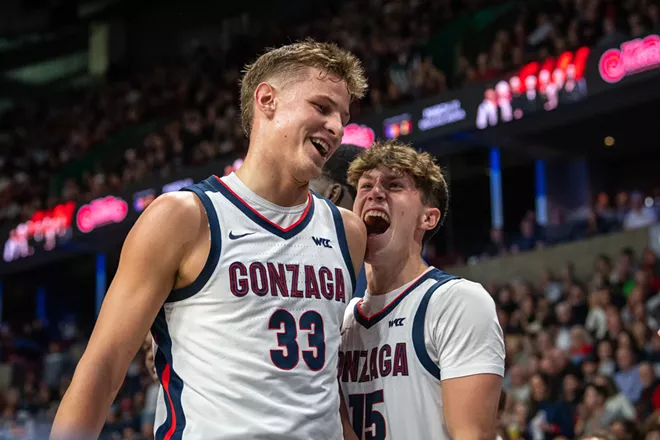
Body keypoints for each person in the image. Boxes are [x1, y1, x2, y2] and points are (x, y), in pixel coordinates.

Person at [51, 39, 368, 440]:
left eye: (342, 116)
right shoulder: (184, 217)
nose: (338, 128)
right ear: (267, 100)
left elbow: (326, 389)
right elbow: (103, 367)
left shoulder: (348, 233)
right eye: (322, 107)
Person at [338, 140, 505, 439]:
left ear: (428, 217)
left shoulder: (456, 302)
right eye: (365, 186)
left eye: (394, 185)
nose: (375, 192)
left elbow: (471, 435)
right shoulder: (341, 319)